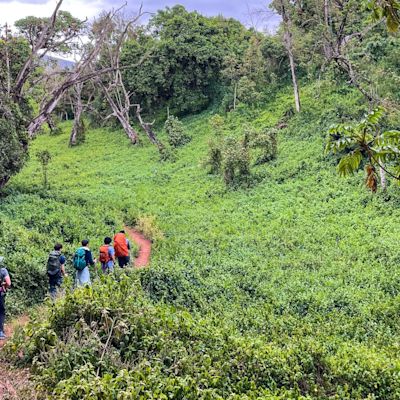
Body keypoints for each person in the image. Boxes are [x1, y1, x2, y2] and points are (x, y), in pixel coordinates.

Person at [0, 256, 11, 340]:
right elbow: (8, 283)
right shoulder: (3, 270)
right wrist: (4, 286)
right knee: (1, 312)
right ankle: (0, 332)